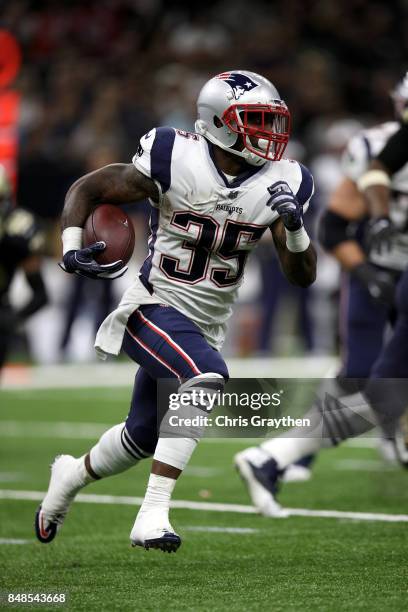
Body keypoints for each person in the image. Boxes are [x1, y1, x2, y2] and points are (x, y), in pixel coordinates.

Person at [35, 71, 316, 552]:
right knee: (206, 376)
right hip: (151, 306)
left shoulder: (286, 180)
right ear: (218, 123)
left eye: (272, 120)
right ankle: (152, 514)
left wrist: (294, 227)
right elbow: (92, 186)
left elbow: (302, 275)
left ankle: (68, 477)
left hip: (206, 324)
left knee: (140, 437)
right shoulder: (173, 154)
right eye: (256, 120)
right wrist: (72, 244)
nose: (270, 133)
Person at [234, 72, 408, 515]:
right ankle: (286, 456)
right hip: (376, 270)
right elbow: (333, 224)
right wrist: (366, 269)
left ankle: (279, 455)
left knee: (386, 386)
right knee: (364, 376)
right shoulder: (375, 147)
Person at [0, 165, 48, 375]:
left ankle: (164, 406)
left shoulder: (17, 233)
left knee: (163, 367)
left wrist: (11, 319)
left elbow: (40, 294)